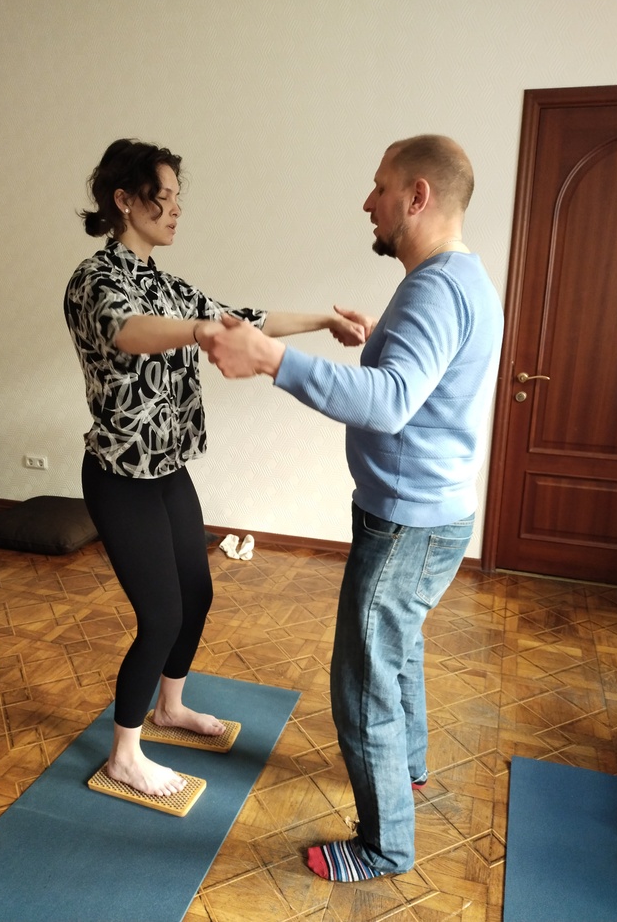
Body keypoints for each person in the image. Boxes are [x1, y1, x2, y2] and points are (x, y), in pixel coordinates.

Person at [200, 135, 504, 880]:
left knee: (362, 682)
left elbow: (393, 402)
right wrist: (377, 344)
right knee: (398, 652)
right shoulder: (459, 278)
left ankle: (384, 844)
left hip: (406, 522)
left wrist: (272, 357)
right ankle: (411, 769)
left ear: (418, 195)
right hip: (429, 514)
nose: (368, 202)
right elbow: (417, 382)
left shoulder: (435, 288)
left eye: (380, 186)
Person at [64, 138, 364, 798]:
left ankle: (169, 707)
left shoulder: (167, 284)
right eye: (164, 197)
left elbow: (241, 320)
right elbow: (128, 330)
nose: (176, 210)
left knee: (196, 594)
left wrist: (323, 319)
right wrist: (198, 332)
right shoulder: (95, 279)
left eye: (178, 198)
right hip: (120, 475)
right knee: (161, 614)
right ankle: (124, 754)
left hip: (167, 469)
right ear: (124, 200)